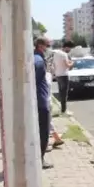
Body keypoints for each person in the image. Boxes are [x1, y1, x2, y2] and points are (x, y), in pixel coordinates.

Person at [34, 37, 53, 169]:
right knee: (43, 132)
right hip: (41, 102)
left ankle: (39, 158)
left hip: (39, 100)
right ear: (41, 46)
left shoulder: (37, 58)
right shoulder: (38, 60)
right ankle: (40, 159)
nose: (48, 48)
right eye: (47, 45)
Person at [53, 41, 74, 114]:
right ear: (67, 47)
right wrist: (72, 63)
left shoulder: (56, 54)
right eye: (70, 48)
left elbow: (54, 65)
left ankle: (62, 109)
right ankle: (64, 111)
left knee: (61, 93)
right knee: (64, 94)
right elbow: (67, 65)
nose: (70, 50)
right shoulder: (64, 54)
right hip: (64, 75)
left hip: (58, 75)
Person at [45, 71, 64, 149]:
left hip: (43, 102)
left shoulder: (40, 76)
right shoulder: (48, 75)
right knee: (48, 122)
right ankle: (57, 139)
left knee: (45, 123)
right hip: (49, 101)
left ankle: (47, 142)